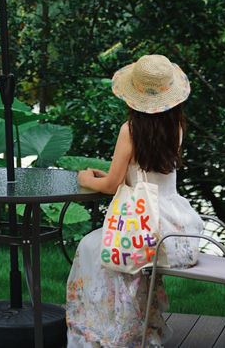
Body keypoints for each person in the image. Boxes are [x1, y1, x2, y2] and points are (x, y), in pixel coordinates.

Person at [66, 54, 202, 347]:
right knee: (116, 251)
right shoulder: (176, 127)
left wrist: (87, 179)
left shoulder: (130, 131)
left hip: (143, 225)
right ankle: (139, 323)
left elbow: (112, 184)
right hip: (175, 229)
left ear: (134, 95)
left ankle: (111, 329)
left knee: (91, 246)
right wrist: (121, 174)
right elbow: (147, 175)